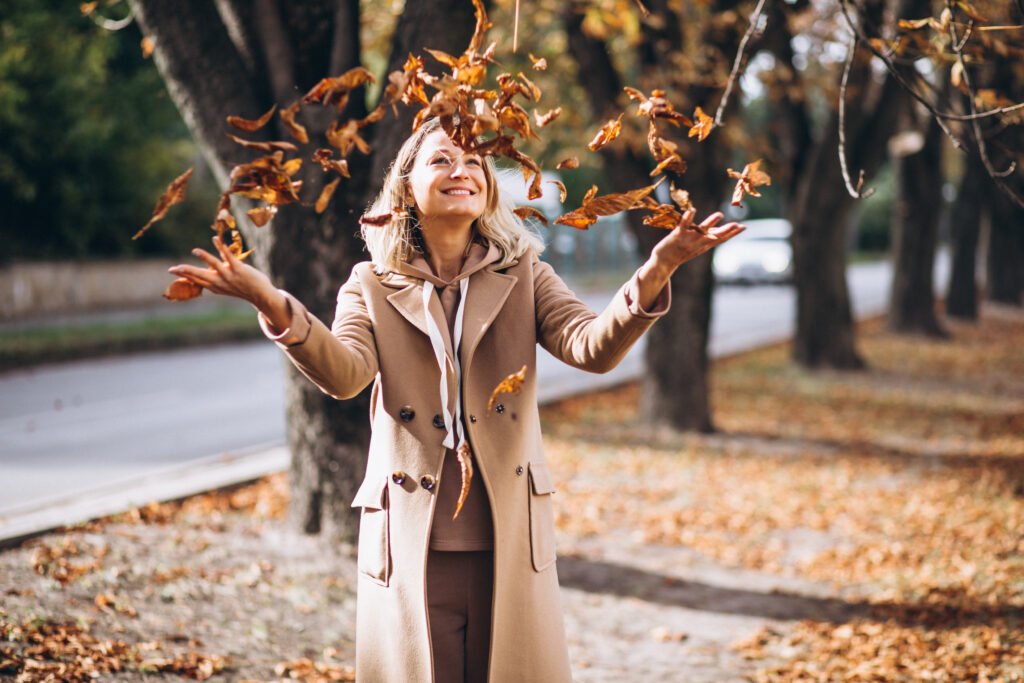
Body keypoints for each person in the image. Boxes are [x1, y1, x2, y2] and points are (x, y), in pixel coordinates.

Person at [169, 116, 743, 683]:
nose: (461, 170)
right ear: (406, 188)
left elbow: (591, 347)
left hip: (508, 536)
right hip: (410, 541)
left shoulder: (526, 274)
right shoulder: (369, 283)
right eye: (441, 159)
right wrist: (271, 302)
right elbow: (345, 375)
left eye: (474, 161)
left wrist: (658, 268)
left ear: (488, 188)